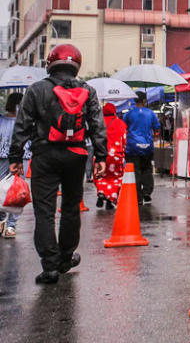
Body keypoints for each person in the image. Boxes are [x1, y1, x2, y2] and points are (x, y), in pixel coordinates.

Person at [8, 44, 106, 284]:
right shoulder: (88, 91)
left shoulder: (36, 90)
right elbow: (97, 125)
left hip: (44, 156)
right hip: (77, 155)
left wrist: (15, 158)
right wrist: (101, 157)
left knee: (45, 211)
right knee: (72, 208)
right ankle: (65, 258)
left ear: (50, 62)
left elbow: (22, 126)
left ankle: (50, 267)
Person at [124, 91, 160, 205]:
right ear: (144, 101)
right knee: (147, 169)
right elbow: (157, 127)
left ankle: (138, 197)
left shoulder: (128, 114)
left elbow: (124, 127)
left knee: (135, 171)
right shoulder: (151, 113)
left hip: (132, 147)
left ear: (134, 100)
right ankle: (147, 192)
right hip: (147, 146)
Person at [0, 92, 24, 238]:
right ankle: (3, 220)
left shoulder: (25, 122)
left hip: (20, 158)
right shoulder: (2, 120)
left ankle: (11, 225)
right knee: (2, 189)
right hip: (4, 158)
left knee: (17, 190)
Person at [94, 103, 127, 211]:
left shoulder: (98, 122)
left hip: (100, 154)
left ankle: (101, 192)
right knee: (115, 178)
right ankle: (110, 199)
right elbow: (124, 140)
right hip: (116, 156)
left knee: (100, 175)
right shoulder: (120, 123)